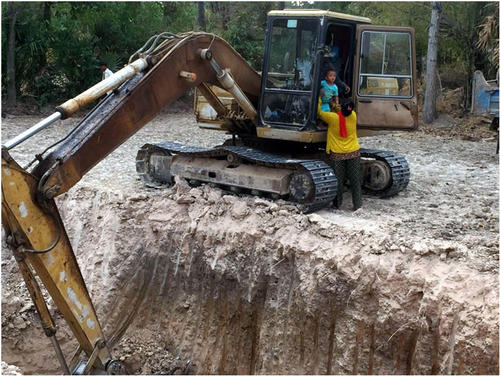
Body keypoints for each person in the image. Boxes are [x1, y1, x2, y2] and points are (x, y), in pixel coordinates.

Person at [317, 98, 362, 210]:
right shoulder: (353, 116)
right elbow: (343, 110)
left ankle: (337, 204)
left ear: (342, 107)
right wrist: (335, 104)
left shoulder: (333, 118)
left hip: (338, 154)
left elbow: (319, 113)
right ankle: (357, 205)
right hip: (353, 152)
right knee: (355, 180)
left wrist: (318, 99)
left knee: (338, 180)